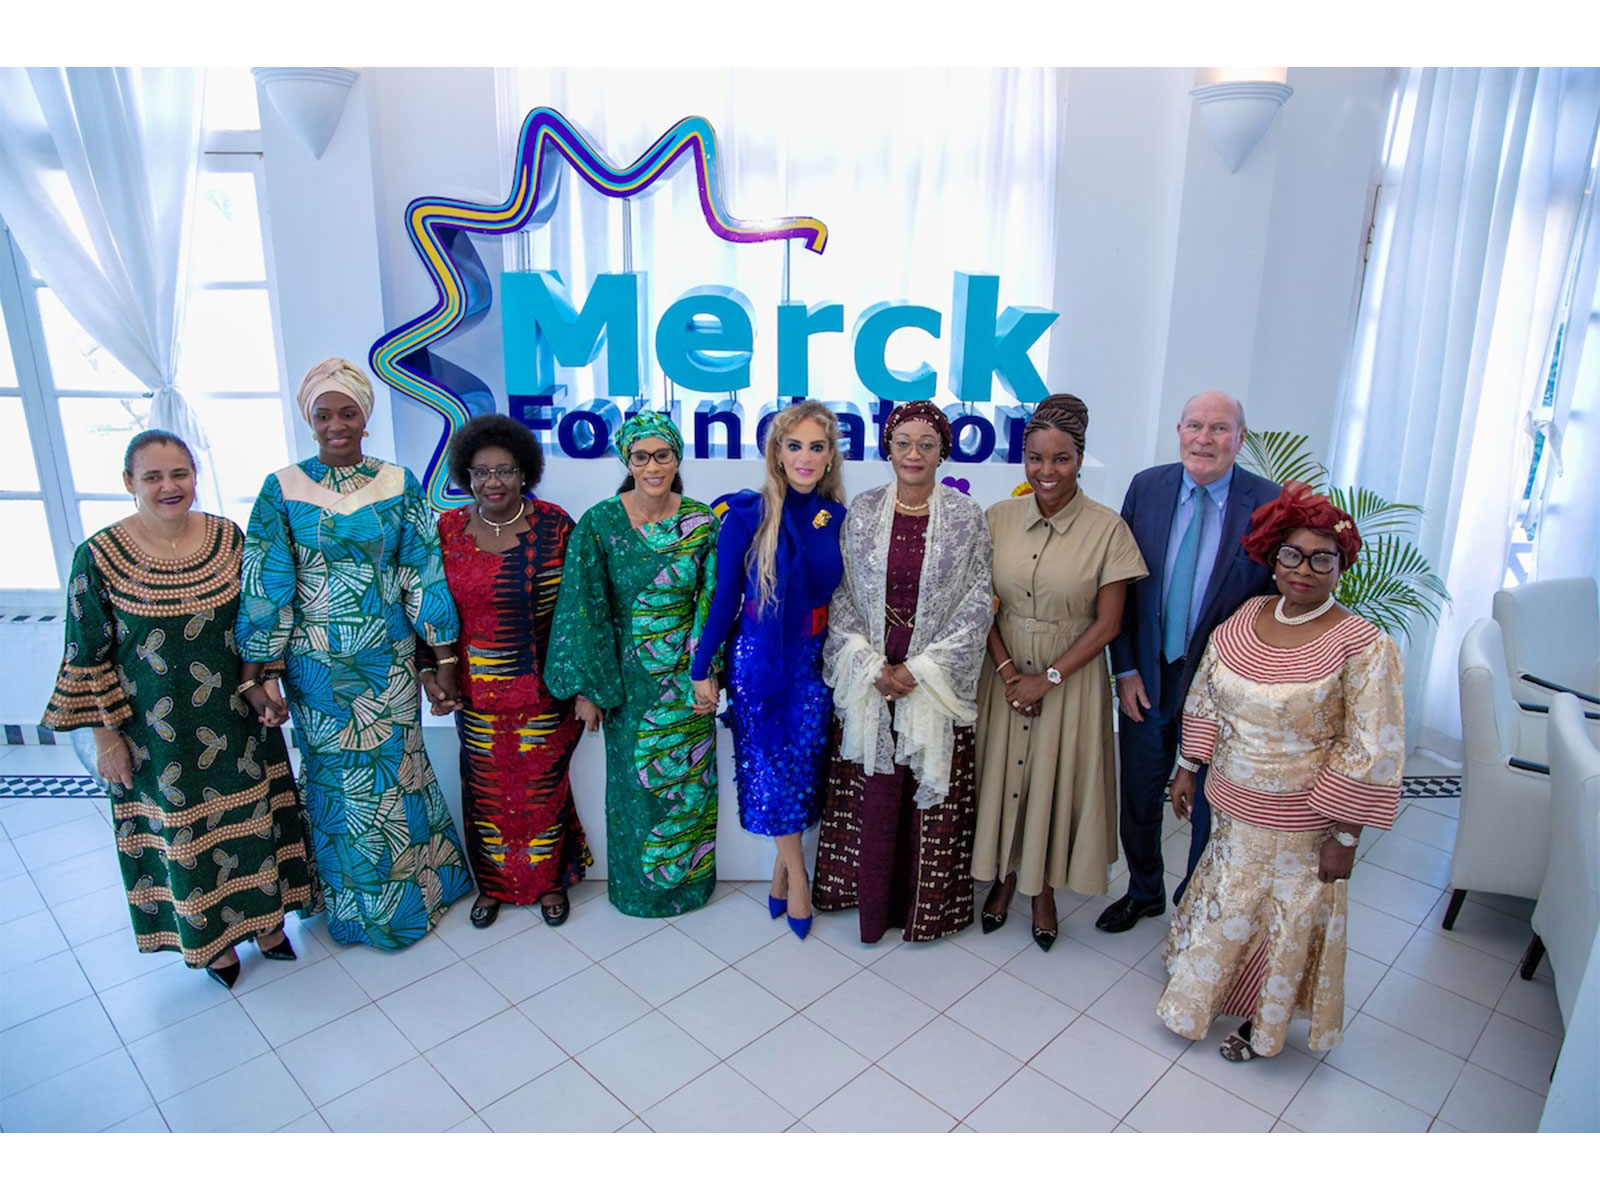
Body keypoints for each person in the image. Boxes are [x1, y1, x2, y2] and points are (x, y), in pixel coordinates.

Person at [42, 431, 319, 989]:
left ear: (195, 475)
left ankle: (268, 926)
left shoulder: (226, 537)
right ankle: (212, 945)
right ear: (129, 483)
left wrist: (263, 686)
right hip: (156, 736)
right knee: (186, 840)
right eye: (153, 477)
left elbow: (255, 624)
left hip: (235, 720)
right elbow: (85, 655)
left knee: (255, 821)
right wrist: (106, 740)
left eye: (180, 474)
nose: (169, 487)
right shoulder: (98, 555)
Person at [1156, 484, 1403, 1061]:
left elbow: (1372, 745)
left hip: (1302, 823)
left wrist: (1346, 834)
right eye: (1292, 554)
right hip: (1231, 807)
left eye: (1324, 558)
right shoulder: (1248, 615)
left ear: (1342, 566)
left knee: (1281, 925)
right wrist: (1189, 766)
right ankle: (1205, 991)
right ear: (1272, 556)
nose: (1305, 569)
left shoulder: (1364, 646)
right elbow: (1207, 696)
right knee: (1223, 900)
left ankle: (1261, 1025)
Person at [235, 358, 472, 950]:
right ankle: (352, 909)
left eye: (348, 412)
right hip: (314, 667)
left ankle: (417, 895)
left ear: (365, 419)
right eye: (324, 414)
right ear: (309, 421)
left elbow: (421, 571)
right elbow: (267, 581)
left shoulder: (398, 482)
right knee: (337, 784)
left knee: (398, 775)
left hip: (387, 661)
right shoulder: (282, 487)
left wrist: (441, 661)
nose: (336, 424)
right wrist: (257, 672)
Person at [1098, 390, 1280, 935]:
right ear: (1178, 430)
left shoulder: (1269, 503)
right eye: (1195, 426)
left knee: (1207, 803)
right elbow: (1121, 587)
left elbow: (1273, 600)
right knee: (1139, 792)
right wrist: (1124, 668)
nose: (1205, 439)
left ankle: (1197, 908)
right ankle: (1145, 890)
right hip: (1149, 675)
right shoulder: (1147, 488)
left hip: (1222, 686)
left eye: (1220, 429)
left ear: (1240, 439)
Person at [972, 394, 1148, 951]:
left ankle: (1043, 890)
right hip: (1001, 668)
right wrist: (1006, 670)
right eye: (1035, 458)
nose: (1047, 472)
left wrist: (1045, 679)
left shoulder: (1107, 528)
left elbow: (1109, 624)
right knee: (1002, 775)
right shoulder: (998, 517)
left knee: (1056, 777)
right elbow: (980, 604)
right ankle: (1001, 879)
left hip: (1071, 674)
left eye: (1061, 459)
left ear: (1079, 457)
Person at [814, 402, 993, 943]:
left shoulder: (966, 517)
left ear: (943, 451)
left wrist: (919, 669)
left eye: (927, 444)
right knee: (875, 791)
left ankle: (926, 910)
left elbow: (979, 601)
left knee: (926, 795)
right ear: (887, 448)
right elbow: (841, 594)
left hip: (932, 684)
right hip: (871, 679)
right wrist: (873, 667)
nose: (914, 454)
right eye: (904, 442)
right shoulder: (862, 511)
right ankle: (863, 897)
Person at [546, 412, 721, 918]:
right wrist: (590, 690)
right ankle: (638, 892)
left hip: (689, 685)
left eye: (662, 455)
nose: (652, 465)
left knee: (689, 788)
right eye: (641, 456)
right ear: (627, 460)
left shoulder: (701, 521)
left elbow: (710, 604)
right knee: (633, 792)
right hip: (625, 682)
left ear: (677, 458)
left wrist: (706, 672)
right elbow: (584, 608)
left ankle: (690, 886)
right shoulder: (599, 523)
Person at [690, 400, 846, 939]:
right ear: (777, 453)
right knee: (772, 770)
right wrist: (700, 665)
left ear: (830, 458)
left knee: (802, 770)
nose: (805, 457)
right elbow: (724, 599)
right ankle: (799, 878)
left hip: (815, 660)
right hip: (758, 660)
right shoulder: (745, 516)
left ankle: (780, 875)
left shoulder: (836, 518)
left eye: (817, 447)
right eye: (794, 445)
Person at [436, 414, 589, 930]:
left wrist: (583, 686)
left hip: (546, 694)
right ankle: (494, 887)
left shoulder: (555, 525)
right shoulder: (449, 531)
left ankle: (548, 882)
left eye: (504, 470)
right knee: (486, 796)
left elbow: (579, 611)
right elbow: (432, 610)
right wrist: (437, 673)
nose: (493, 482)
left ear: (525, 472)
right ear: (466, 476)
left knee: (542, 792)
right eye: (481, 472)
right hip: (476, 696)